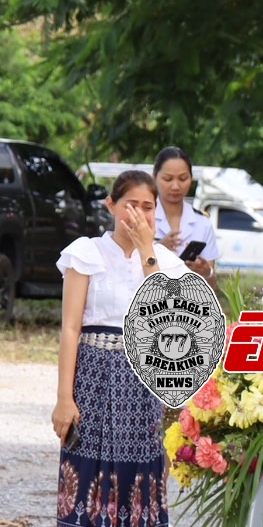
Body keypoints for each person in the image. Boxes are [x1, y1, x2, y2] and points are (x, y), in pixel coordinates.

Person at [55, 169, 188, 527]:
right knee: (86, 466)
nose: (140, 215)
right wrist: (64, 398)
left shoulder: (165, 262)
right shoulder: (86, 252)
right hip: (93, 375)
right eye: (131, 205)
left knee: (141, 469)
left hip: (143, 382)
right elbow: (70, 328)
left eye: (148, 207)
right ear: (111, 205)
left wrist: (147, 249)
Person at [152, 146, 219, 286]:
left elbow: (212, 285)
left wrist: (206, 272)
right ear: (155, 177)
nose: (175, 186)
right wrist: (157, 248)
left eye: (183, 179)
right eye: (168, 179)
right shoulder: (142, 217)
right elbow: (126, 268)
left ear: (191, 178)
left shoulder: (202, 223)